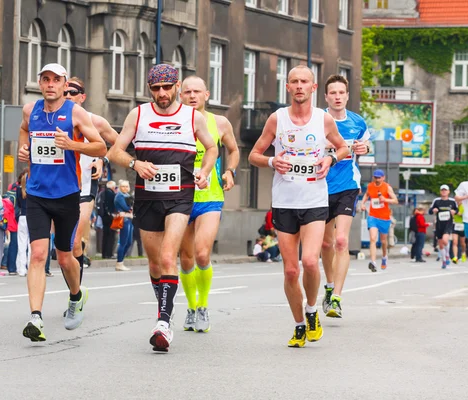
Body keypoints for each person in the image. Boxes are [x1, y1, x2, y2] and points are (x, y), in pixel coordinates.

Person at [107, 63, 217, 352]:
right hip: (147, 197)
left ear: (177, 86)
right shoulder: (139, 114)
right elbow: (115, 151)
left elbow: (213, 147)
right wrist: (135, 163)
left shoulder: (192, 117)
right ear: (150, 89)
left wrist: (204, 171)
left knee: (170, 257)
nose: (162, 93)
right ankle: (164, 310)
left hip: (181, 196)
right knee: (155, 264)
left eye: (167, 87)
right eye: (156, 88)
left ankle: (163, 324)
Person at [248, 65, 348, 348]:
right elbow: (254, 154)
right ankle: (299, 325)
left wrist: (330, 159)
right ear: (288, 88)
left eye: (305, 81)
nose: (300, 86)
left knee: (309, 261)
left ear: (314, 88)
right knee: (291, 270)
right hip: (284, 202)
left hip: (315, 200)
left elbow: (342, 147)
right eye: (295, 82)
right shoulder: (277, 119)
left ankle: (313, 308)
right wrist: (270, 161)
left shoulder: (323, 119)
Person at [18, 63, 106, 342]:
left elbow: (101, 146)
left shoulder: (75, 113)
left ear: (65, 84)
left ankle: (76, 296)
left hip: (68, 195)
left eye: (56, 80)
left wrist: (73, 145)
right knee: (39, 255)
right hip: (37, 195)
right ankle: (35, 317)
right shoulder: (30, 111)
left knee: (66, 257)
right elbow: (23, 131)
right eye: (45, 79)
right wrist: (23, 150)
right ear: (39, 83)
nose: (51, 84)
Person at [177, 75, 240, 333]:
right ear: (179, 96)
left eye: (197, 92)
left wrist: (230, 171)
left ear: (207, 95)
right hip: (179, 198)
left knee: (202, 253)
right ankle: (191, 308)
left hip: (210, 197)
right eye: (187, 92)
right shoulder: (173, 122)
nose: (192, 96)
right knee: (186, 258)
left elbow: (234, 150)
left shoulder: (220, 122)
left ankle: (203, 306)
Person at [320, 74, 371, 318]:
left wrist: (364, 148)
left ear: (347, 96)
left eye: (342, 93)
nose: (338, 97)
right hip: (319, 186)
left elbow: (367, 145)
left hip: (347, 186)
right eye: (333, 93)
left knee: (341, 241)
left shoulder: (357, 121)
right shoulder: (317, 120)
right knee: (325, 243)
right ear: (326, 96)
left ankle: (337, 298)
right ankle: (329, 286)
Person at [64, 77, 118, 278]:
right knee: (65, 248)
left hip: (85, 185)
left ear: (82, 97)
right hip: (59, 187)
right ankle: (75, 289)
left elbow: (119, 145)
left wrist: (102, 159)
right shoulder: (52, 118)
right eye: (65, 92)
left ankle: (74, 297)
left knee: (75, 241)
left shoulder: (95, 121)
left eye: (73, 92)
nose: (68, 96)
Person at [360, 169, 398, 272]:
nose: (377, 179)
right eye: (375, 177)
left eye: (379, 177)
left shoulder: (387, 187)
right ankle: (373, 262)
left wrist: (385, 200)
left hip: (384, 218)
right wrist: (362, 203)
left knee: (383, 241)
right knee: (372, 238)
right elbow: (366, 195)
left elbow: (395, 200)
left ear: (383, 177)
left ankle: (384, 257)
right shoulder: (370, 186)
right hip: (373, 216)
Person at [429, 185, 458, 269]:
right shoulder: (436, 201)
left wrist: (454, 211)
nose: (444, 192)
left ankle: (448, 255)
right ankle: (444, 260)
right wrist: (433, 210)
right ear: (440, 192)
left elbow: (457, 210)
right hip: (439, 225)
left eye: (445, 190)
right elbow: (430, 211)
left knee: (445, 240)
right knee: (441, 244)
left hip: (448, 224)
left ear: (448, 192)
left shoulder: (452, 201)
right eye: (442, 190)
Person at [114, 179, 134, 271]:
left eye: (126, 186)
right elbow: (127, 207)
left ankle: (121, 261)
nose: (125, 188)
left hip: (129, 219)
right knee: (123, 242)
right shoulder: (120, 196)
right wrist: (131, 208)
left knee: (129, 242)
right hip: (124, 219)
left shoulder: (127, 195)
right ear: (119, 187)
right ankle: (119, 262)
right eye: (123, 186)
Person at [16, 172, 30, 277]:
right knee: (31, 245)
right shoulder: (32, 190)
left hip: (22, 217)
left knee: (21, 244)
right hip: (32, 216)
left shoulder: (18, 190)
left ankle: (21, 268)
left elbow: (18, 205)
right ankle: (31, 267)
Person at [101, 181, 117, 258]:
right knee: (111, 236)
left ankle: (104, 253)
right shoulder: (112, 194)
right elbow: (114, 206)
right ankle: (109, 253)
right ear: (113, 187)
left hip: (104, 216)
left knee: (105, 235)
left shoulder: (102, 193)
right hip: (110, 216)